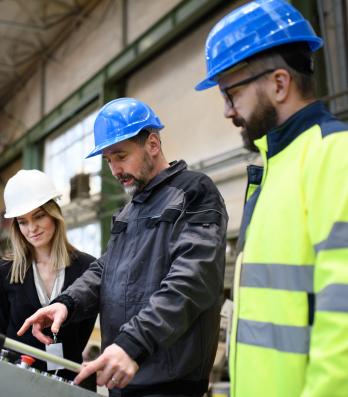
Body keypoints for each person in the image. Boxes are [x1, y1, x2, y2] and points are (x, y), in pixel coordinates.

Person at [195, 0, 348, 396]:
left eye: (232, 93)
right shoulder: (275, 172)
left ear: (279, 83)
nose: (227, 111)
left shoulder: (346, 158)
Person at [19, 98, 228, 397]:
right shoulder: (129, 211)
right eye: (108, 161)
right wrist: (67, 303)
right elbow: (105, 270)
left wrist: (133, 343)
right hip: (121, 372)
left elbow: (193, 280)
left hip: (169, 382)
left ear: (153, 144)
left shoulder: (193, 192)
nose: (115, 170)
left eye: (121, 156)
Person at [0, 169, 97, 385]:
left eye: (39, 216)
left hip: (70, 375)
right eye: (23, 221)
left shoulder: (87, 266)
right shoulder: (6, 270)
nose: (32, 229)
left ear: (54, 214)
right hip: (19, 374)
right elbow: (4, 325)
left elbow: (86, 324)